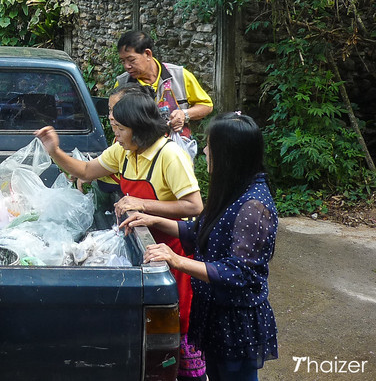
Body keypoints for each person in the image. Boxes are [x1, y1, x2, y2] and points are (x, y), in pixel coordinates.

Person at [35, 91, 205, 380]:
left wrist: (143, 204)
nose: (116, 135)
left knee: (177, 332)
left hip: (173, 254)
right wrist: (55, 151)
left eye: (120, 129)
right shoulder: (123, 152)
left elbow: (194, 205)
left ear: (139, 128)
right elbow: (86, 170)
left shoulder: (169, 155)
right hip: (143, 249)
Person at [121, 112, 278, 380]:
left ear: (227, 154)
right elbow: (197, 231)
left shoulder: (254, 206)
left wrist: (176, 259)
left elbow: (239, 272)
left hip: (235, 323)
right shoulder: (232, 189)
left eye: (209, 146)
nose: (204, 151)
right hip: (214, 315)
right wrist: (153, 219)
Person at [115, 30, 213, 137]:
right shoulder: (122, 84)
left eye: (131, 60)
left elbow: (206, 106)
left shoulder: (179, 76)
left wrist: (184, 114)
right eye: (123, 61)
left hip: (175, 145)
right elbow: (113, 117)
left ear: (148, 54)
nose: (127, 66)